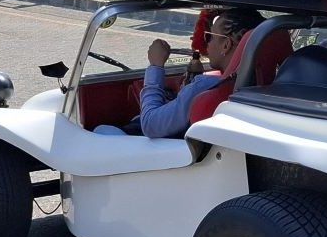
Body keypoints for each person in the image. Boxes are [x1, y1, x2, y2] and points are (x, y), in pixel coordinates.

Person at [96, 7, 263, 139]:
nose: (207, 45)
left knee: (101, 130)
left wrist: (155, 66)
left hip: (170, 153)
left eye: (209, 37)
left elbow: (150, 124)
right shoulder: (260, 83)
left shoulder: (205, 87)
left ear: (226, 45)